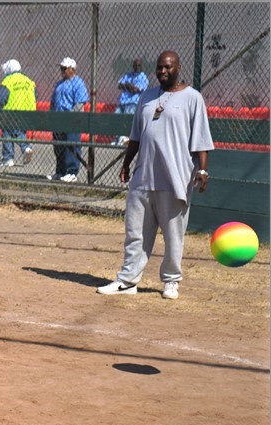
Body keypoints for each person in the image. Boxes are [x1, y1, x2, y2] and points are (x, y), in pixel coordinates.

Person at [97, 51, 213, 300]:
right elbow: (136, 136)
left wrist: (203, 170)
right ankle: (127, 281)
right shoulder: (147, 96)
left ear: (178, 68)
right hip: (143, 176)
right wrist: (127, 163)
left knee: (173, 236)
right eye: (160, 67)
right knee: (135, 232)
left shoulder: (193, 98)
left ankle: (171, 281)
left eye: (168, 67)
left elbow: (201, 139)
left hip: (175, 178)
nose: (163, 71)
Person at [47, 57, 89, 183]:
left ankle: (72, 172)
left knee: (72, 145)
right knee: (59, 146)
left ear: (72, 69)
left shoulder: (78, 83)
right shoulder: (59, 84)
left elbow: (80, 103)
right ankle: (60, 171)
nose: (62, 71)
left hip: (71, 119)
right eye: (61, 68)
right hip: (58, 118)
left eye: (64, 68)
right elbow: (54, 101)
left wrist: (71, 116)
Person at [0, 59, 36, 167]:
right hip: (28, 112)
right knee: (11, 132)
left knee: (11, 131)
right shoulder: (28, 80)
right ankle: (9, 157)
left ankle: (24, 148)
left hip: (11, 112)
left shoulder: (8, 81)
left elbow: (1, 99)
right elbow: (35, 95)